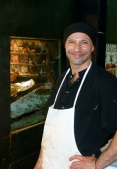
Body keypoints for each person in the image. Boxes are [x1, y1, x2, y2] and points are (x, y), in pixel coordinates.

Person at [34, 22, 117, 169]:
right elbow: (51, 130)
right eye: (71, 42)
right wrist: (40, 162)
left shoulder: (106, 82)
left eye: (84, 42)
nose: (77, 49)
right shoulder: (62, 79)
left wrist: (98, 164)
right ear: (65, 46)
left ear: (92, 47)